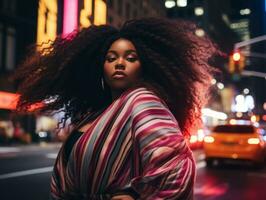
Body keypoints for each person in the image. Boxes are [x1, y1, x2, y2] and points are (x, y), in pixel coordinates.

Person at [13, 18, 218, 199]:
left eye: (130, 58)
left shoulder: (143, 102)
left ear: (145, 67)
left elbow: (178, 169)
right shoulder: (97, 113)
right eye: (111, 58)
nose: (119, 63)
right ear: (99, 68)